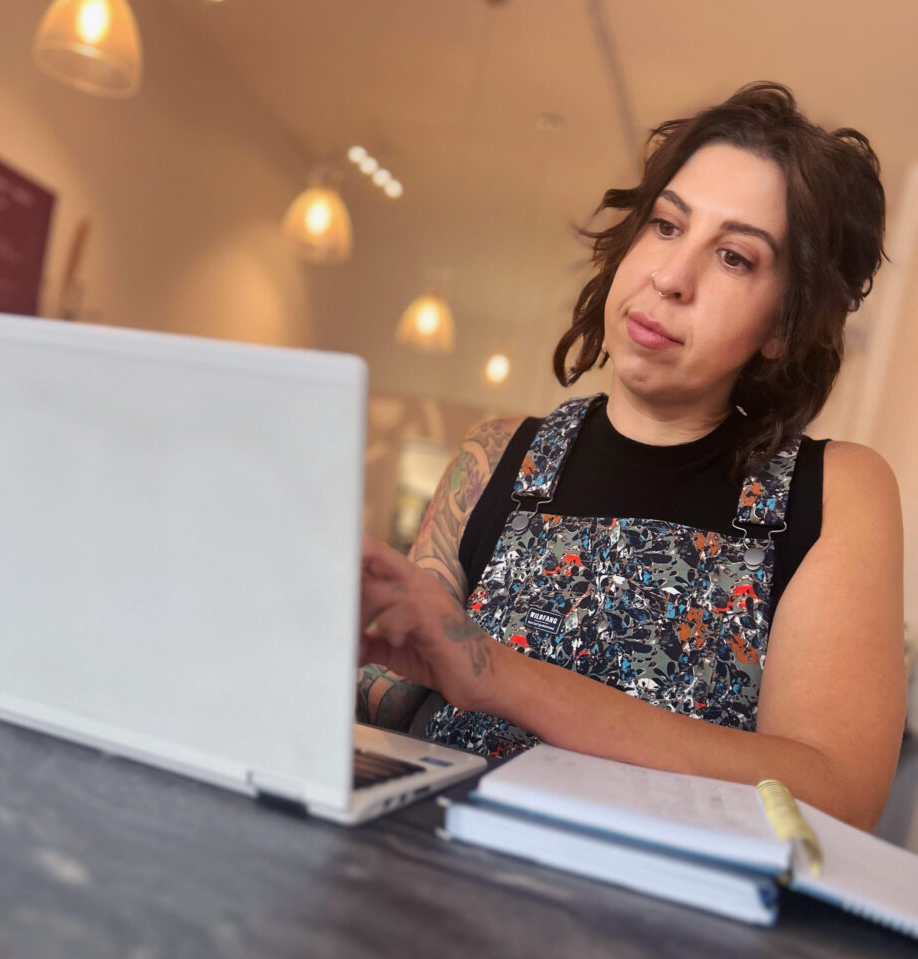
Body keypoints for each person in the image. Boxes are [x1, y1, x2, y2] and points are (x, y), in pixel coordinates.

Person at [356, 82, 906, 832]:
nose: (672, 278)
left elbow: (835, 793)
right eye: (666, 226)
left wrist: (498, 674)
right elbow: (386, 693)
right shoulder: (497, 455)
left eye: (736, 258)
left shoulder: (835, 491)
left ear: (782, 325)